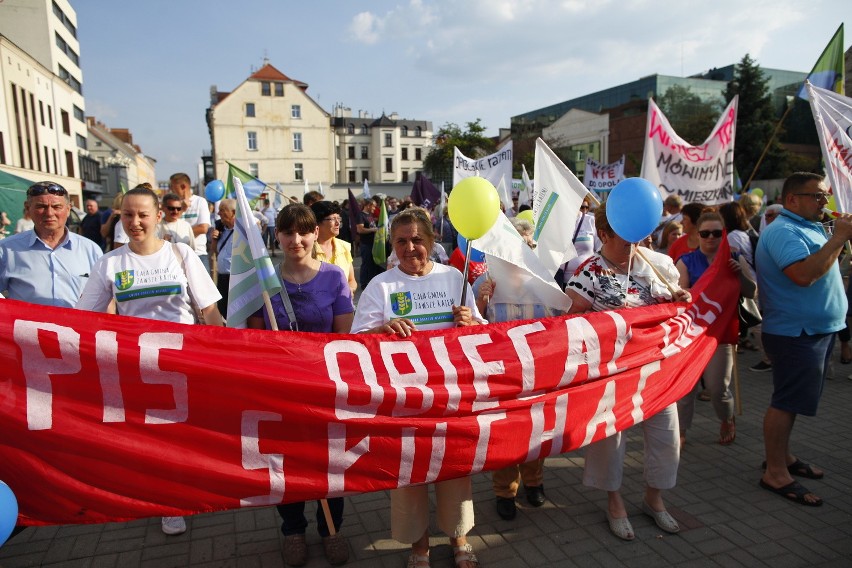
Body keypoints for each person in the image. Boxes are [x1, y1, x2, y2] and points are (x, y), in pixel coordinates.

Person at [76, 185, 223, 535]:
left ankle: (203, 486)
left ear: (158, 216)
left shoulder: (181, 254)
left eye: (143, 214)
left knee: (190, 432)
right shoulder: (109, 262)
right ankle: (170, 504)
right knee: (157, 439)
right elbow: (84, 318)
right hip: (138, 365)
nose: (135, 222)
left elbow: (210, 312)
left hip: (185, 361)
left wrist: (225, 353)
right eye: (128, 215)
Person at [352, 207, 485, 568]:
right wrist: (382, 330)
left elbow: (482, 334)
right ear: (392, 245)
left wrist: (470, 321)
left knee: (454, 471)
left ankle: (459, 538)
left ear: (432, 240)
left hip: (450, 398)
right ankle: (419, 546)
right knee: (410, 476)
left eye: (417, 240)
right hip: (404, 401)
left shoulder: (453, 277)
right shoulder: (381, 286)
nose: (410, 248)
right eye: (401, 241)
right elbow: (355, 341)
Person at [565, 201, 690, 541]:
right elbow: (571, 323)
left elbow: (674, 312)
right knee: (610, 439)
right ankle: (614, 500)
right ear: (602, 234)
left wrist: (680, 301)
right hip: (613, 374)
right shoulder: (587, 272)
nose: (633, 244)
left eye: (637, 236)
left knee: (665, 437)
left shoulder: (660, 264)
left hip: (656, 369)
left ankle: (654, 498)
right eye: (624, 238)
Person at [245, 203, 352, 566]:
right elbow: (255, 342)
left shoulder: (335, 277)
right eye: (288, 232)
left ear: (315, 234)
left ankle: (330, 528)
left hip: (324, 388)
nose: (296, 240)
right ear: (277, 236)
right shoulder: (262, 283)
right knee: (286, 464)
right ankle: (292, 529)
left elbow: (345, 337)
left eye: (304, 231)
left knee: (329, 462)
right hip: (282, 392)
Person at [756, 172, 852, 507]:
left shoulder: (810, 226)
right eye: (817, 196)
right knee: (785, 402)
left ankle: (782, 457)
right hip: (796, 333)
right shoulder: (784, 230)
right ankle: (776, 472)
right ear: (791, 200)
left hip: (813, 331)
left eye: (825, 196)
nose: (824, 203)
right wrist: (838, 239)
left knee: (793, 401)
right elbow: (803, 275)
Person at [474, 218, 561, 521]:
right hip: (502, 375)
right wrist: (481, 302)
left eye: (529, 248)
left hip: (538, 372)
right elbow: (470, 331)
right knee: (506, 435)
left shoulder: (547, 285)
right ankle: (505, 491)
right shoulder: (485, 283)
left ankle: (534, 482)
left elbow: (562, 324)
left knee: (537, 430)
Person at [676, 211, 756, 446]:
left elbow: (752, 292)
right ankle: (680, 431)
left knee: (717, 388)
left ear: (724, 235)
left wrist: (739, 274)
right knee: (686, 387)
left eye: (716, 233)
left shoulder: (735, 258)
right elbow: (681, 299)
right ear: (697, 235)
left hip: (721, 334)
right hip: (691, 334)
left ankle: (727, 418)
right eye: (705, 233)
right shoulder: (686, 261)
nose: (710, 238)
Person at [0, 182, 103, 306]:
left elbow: (105, 300)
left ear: (68, 209)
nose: (49, 213)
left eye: (56, 207)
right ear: (28, 208)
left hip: (77, 325)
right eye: (41, 206)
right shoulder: (6, 250)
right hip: (27, 325)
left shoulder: (90, 250)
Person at [310, 200, 357, 296]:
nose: (338, 223)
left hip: (343, 307)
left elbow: (351, 280)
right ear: (317, 223)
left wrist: (350, 289)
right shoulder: (308, 250)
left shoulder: (344, 246)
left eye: (338, 218)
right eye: (332, 219)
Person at [169, 172, 211, 271]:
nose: (171, 190)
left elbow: (203, 228)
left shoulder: (200, 202)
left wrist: (178, 234)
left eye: (173, 186)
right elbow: (169, 226)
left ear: (183, 186)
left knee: (203, 286)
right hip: (176, 256)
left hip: (198, 254)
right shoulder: (172, 205)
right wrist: (182, 209)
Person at [211, 199, 236, 318]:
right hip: (222, 277)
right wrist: (215, 239)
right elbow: (215, 251)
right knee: (222, 307)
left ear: (234, 212)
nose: (219, 213)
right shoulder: (221, 229)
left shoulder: (243, 231)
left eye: (223, 210)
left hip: (235, 277)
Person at [355, 197, 384, 288]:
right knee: (366, 264)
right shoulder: (360, 215)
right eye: (373, 206)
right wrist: (373, 229)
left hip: (373, 244)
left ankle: (371, 282)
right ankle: (364, 283)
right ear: (368, 205)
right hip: (366, 244)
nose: (374, 209)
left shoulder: (369, 215)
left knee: (373, 264)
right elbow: (360, 229)